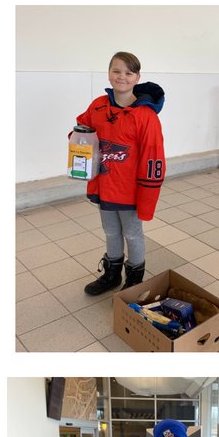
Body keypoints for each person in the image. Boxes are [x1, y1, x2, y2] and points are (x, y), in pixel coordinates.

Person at [74, 51, 165, 295]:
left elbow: (153, 159)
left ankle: (135, 279)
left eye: (128, 72)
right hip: (105, 186)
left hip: (131, 191)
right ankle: (112, 274)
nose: (121, 77)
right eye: (116, 71)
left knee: (133, 234)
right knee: (111, 231)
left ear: (137, 77)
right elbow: (82, 129)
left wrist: (147, 198)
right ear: (109, 73)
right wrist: (77, 139)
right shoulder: (98, 106)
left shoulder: (146, 117)